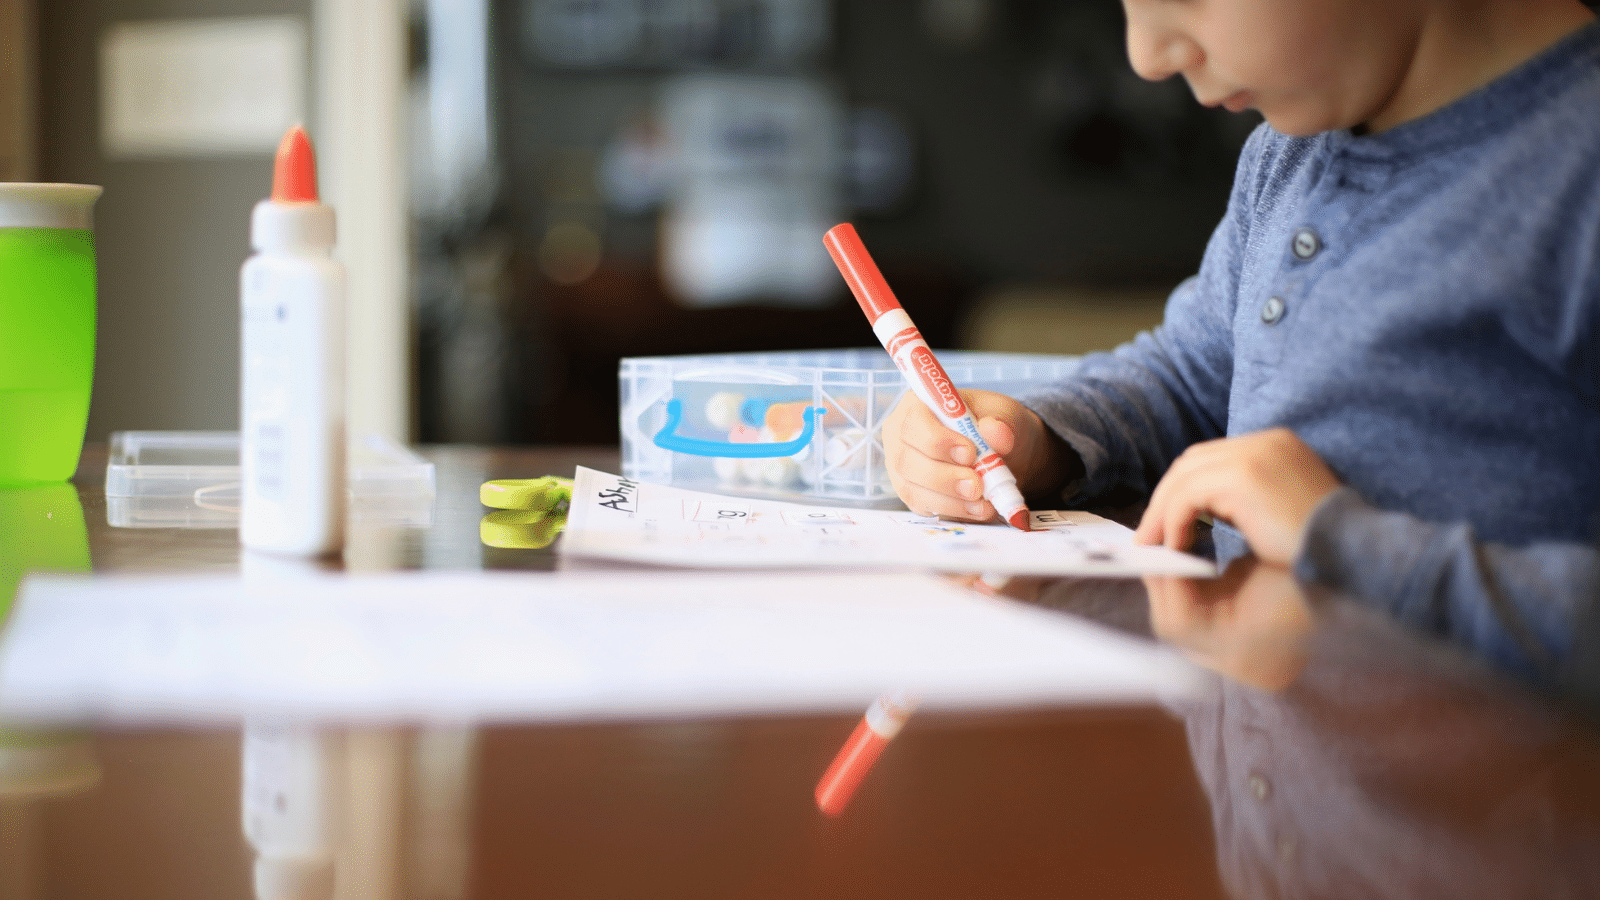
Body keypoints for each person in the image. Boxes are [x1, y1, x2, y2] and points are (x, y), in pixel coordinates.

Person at [881, 0, 1600, 686]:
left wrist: (1341, 545)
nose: (1147, 56)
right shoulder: (1287, 159)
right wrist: (1041, 437)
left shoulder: (1577, 170)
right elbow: (1190, 375)